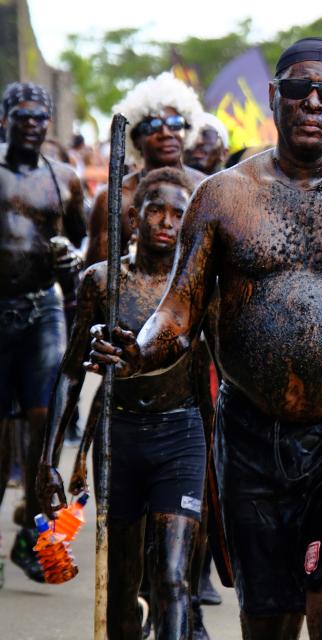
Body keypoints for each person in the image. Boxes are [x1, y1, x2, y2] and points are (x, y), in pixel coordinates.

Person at [88, 37, 322, 640]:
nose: (313, 102)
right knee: (268, 624)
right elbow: (178, 313)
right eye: (298, 89)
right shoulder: (222, 195)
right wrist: (138, 347)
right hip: (251, 436)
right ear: (273, 97)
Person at [37, 168, 212, 638]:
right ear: (134, 218)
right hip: (121, 438)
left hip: (182, 436)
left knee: (174, 578)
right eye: (156, 210)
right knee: (119, 585)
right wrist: (50, 460)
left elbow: (217, 378)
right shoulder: (101, 282)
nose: (167, 222)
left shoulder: (200, 286)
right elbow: (71, 371)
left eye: (179, 213)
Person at [0, 81, 85, 582]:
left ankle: (32, 539)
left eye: (40, 117)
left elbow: (80, 241)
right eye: (23, 115)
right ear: (6, 118)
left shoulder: (64, 178)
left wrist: (72, 258)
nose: (32, 124)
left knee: (44, 420)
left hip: (41, 311)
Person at [85, 72, 205, 266]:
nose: (165, 133)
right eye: (152, 125)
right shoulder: (114, 198)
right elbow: (97, 276)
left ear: (187, 130)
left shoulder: (206, 189)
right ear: (135, 138)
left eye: (175, 124)